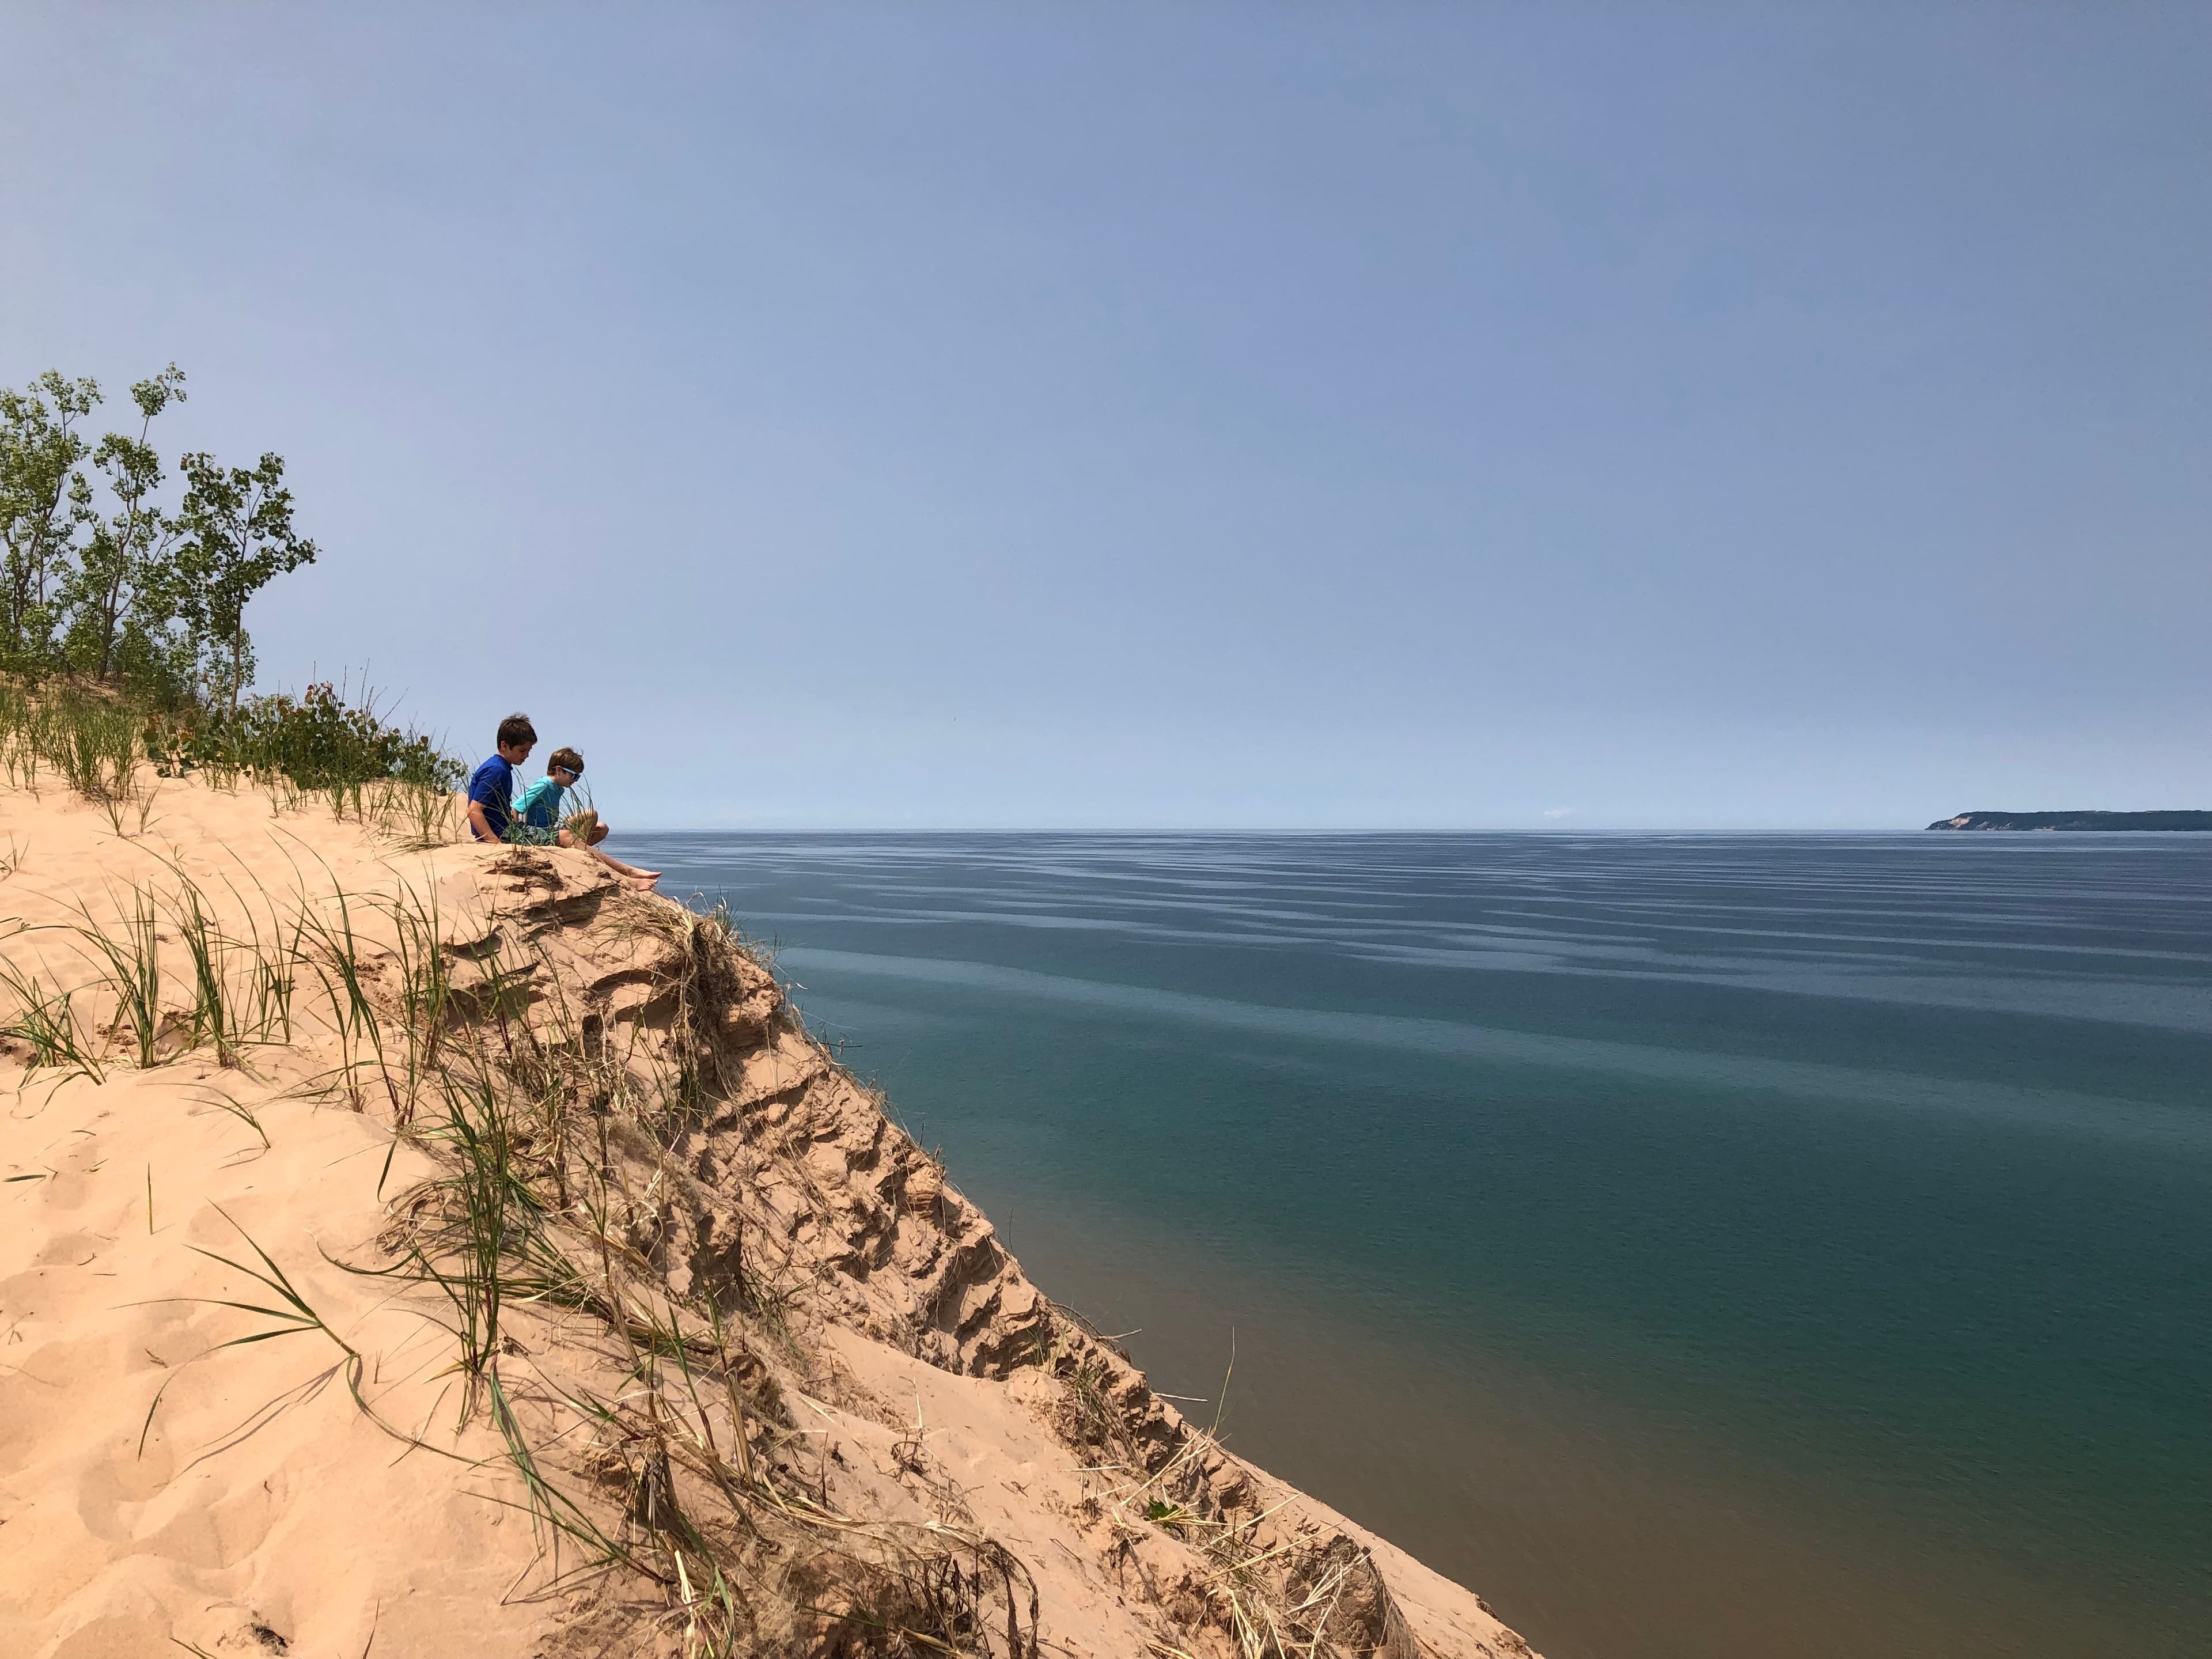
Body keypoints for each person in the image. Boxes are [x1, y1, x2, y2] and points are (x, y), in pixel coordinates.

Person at [512, 745, 661, 889]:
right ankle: (583, 856)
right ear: (559, 770)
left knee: (602, 828)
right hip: (541, 831)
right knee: (591, 814)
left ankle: (579, 849)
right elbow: (516, 808)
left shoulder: (558, 789)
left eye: (578, 776)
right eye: (573, 775)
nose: (575, 780)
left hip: (553, 828)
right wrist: (517, 835)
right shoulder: (543, 785)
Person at [464, 712, 536, 843]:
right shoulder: (496, 770)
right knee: (566, 837)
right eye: (522, 751)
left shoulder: (501, 767)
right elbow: (474, 810)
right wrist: (496, 844)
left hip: (508, 831)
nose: (526, 755)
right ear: (504, 746)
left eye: (529, 751)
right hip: (503, 835)